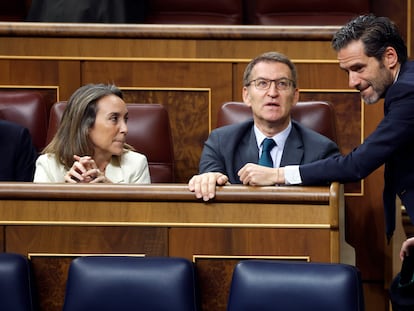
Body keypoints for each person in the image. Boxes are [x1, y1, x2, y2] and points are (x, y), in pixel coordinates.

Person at [237, 15, 414, 243]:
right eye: (347, 72)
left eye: (359, 68)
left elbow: (356, 165)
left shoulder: (407, 92)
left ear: (390, 57)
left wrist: (277, 174)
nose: (353, 82)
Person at [188, 51, 340, 201]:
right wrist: (209, 180)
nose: (272, 93)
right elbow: (209, 183)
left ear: (295, 96)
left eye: (282, 84)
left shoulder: (321, 150)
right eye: (262, 83)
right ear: (246, 95)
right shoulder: (220, 142)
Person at [34, 83, 151, 184]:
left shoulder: (136, 164)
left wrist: (112, 191)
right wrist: (65, 191)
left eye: (125, 119)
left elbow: (142, 210)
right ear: (85, 125)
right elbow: (38, 210)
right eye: (114, 118)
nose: (125, 129)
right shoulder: (48, 165)